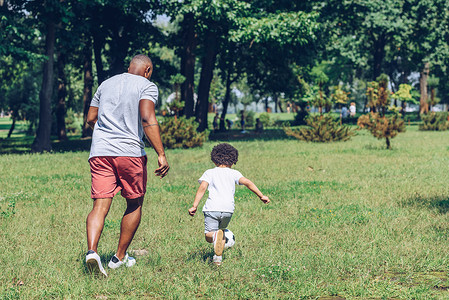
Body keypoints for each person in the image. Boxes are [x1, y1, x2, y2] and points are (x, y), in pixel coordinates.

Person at [85, 54, 170, 277]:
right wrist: (161, 153)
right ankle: (119, 258)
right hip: (129, 152)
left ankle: (91, 252)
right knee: (134, 203)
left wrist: (104, 136)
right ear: (147, 70)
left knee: (100, 205)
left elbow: (91, 118)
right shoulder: (147, 86)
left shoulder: (105, 84)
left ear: (128, 66)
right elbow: (147, 118)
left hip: (100, 153)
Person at [188, 143, 270, 265]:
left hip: (212, 208)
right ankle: (217, 258)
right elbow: (247, 182)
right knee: (221, 233)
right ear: (233, 161)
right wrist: (261, 195)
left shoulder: (209, 172)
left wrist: (194, 205)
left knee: (209, 236)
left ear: (214, 159)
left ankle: (215, 236)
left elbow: (202, 188)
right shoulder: (234, 173)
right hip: (228, 210)